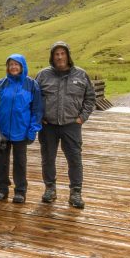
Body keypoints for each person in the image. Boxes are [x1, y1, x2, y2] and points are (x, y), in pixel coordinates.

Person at [36, 40, 97, 209]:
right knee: (48, 159)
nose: (60, 57)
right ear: (52, 57)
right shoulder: (43, 75)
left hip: (72, 125)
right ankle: (50, 189)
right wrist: (39, 116)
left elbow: (90, 98)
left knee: (75, 159)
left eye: (63, 53)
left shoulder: (81, 75)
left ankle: (75, 192)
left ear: (68, 56)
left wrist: (82, 117)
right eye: (56, 54)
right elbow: (34, 98)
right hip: (48, 125)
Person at [0, 54, 42, 204]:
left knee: (20, 162)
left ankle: (20, 191)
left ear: (22, 66)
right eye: (11, 64)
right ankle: (1, 188)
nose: (13, 67)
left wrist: (33, 129)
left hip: (21, 131)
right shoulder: (0, 84)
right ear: (7, 67)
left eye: (17, 64)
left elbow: (37, 109)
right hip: (2, 131)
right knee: (1, 161)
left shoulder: (32, 85)